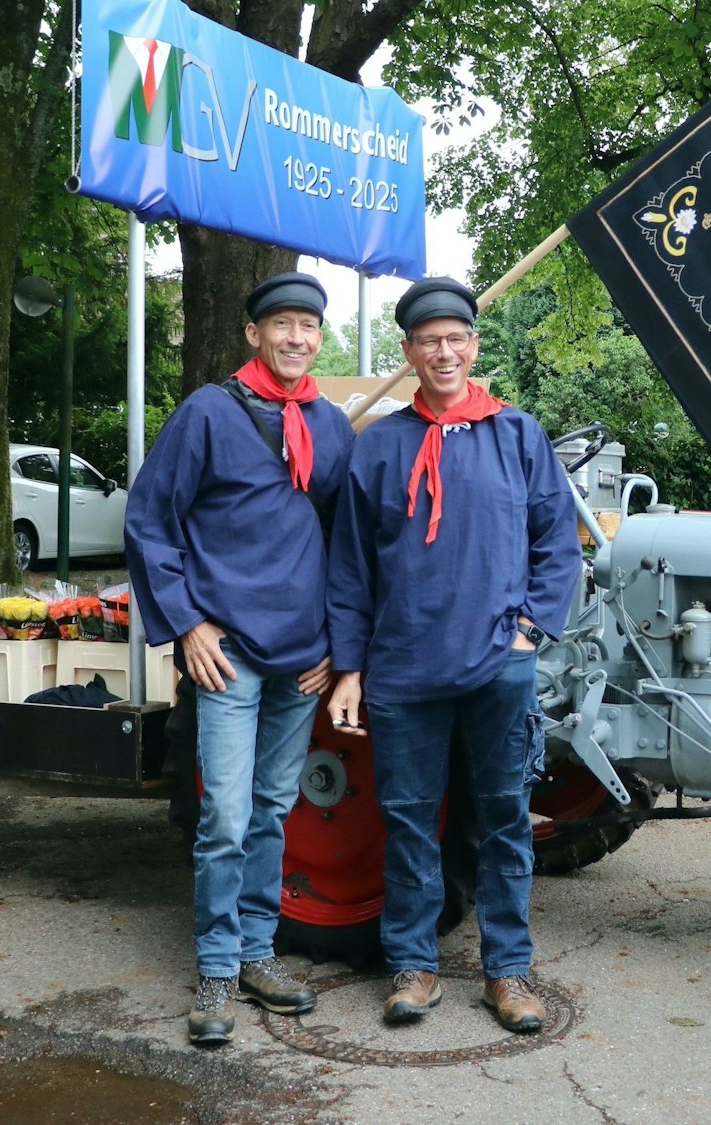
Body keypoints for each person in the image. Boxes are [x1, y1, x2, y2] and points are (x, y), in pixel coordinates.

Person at [326, 277, 582, 1035]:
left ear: (473, 346)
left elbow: (555, 542)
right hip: (404, 667)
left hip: (497, 667)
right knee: (407, 822)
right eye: (428, 340)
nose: (443, 351)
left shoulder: (518, 434)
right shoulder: (378, 447)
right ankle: (413, 964)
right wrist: (350, 665)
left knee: (504, 819)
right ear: (408, 352)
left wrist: (529, 630)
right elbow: (350, 567)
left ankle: (507, 971)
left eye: (455, 338)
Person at [125, 271, 354, 1046]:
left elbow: (346, 544)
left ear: (321, 338)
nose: (296, 337)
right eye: (282, 324)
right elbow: (152, 520)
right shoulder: (208, 414)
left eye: (309, 327)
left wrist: (337, 644)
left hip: (303, 656)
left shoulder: (330, 424)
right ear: (253, 333)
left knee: (271, 810)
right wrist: (187, 624)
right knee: (223, 815)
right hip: (227, 651)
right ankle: (218, 967)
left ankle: (258, 950)